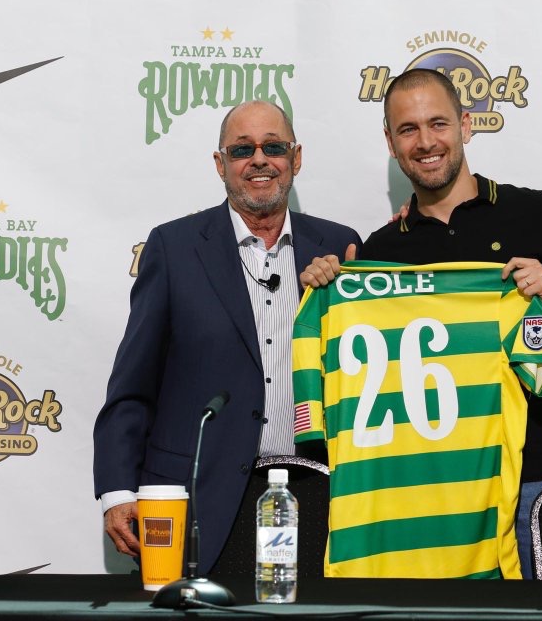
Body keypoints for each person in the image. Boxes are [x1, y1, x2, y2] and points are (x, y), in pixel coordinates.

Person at [300, 68, 542, 578]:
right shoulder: (380, 252)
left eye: (437, 123)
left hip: (527, 482)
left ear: (466, 125)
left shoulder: (536, 213)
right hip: (420, 493)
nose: (425, 142)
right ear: (391, 143)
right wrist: (332, 286)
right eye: (408, 129)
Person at [93, 100, 361, 575]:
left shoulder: (339, 249)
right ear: (220, 164)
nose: (259, 160)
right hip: (202, 499)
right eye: (241, 150)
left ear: (296, 158)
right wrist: (117, 490)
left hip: (318, 496)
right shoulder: (174, 248)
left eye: (273, 147)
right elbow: (133, 385)